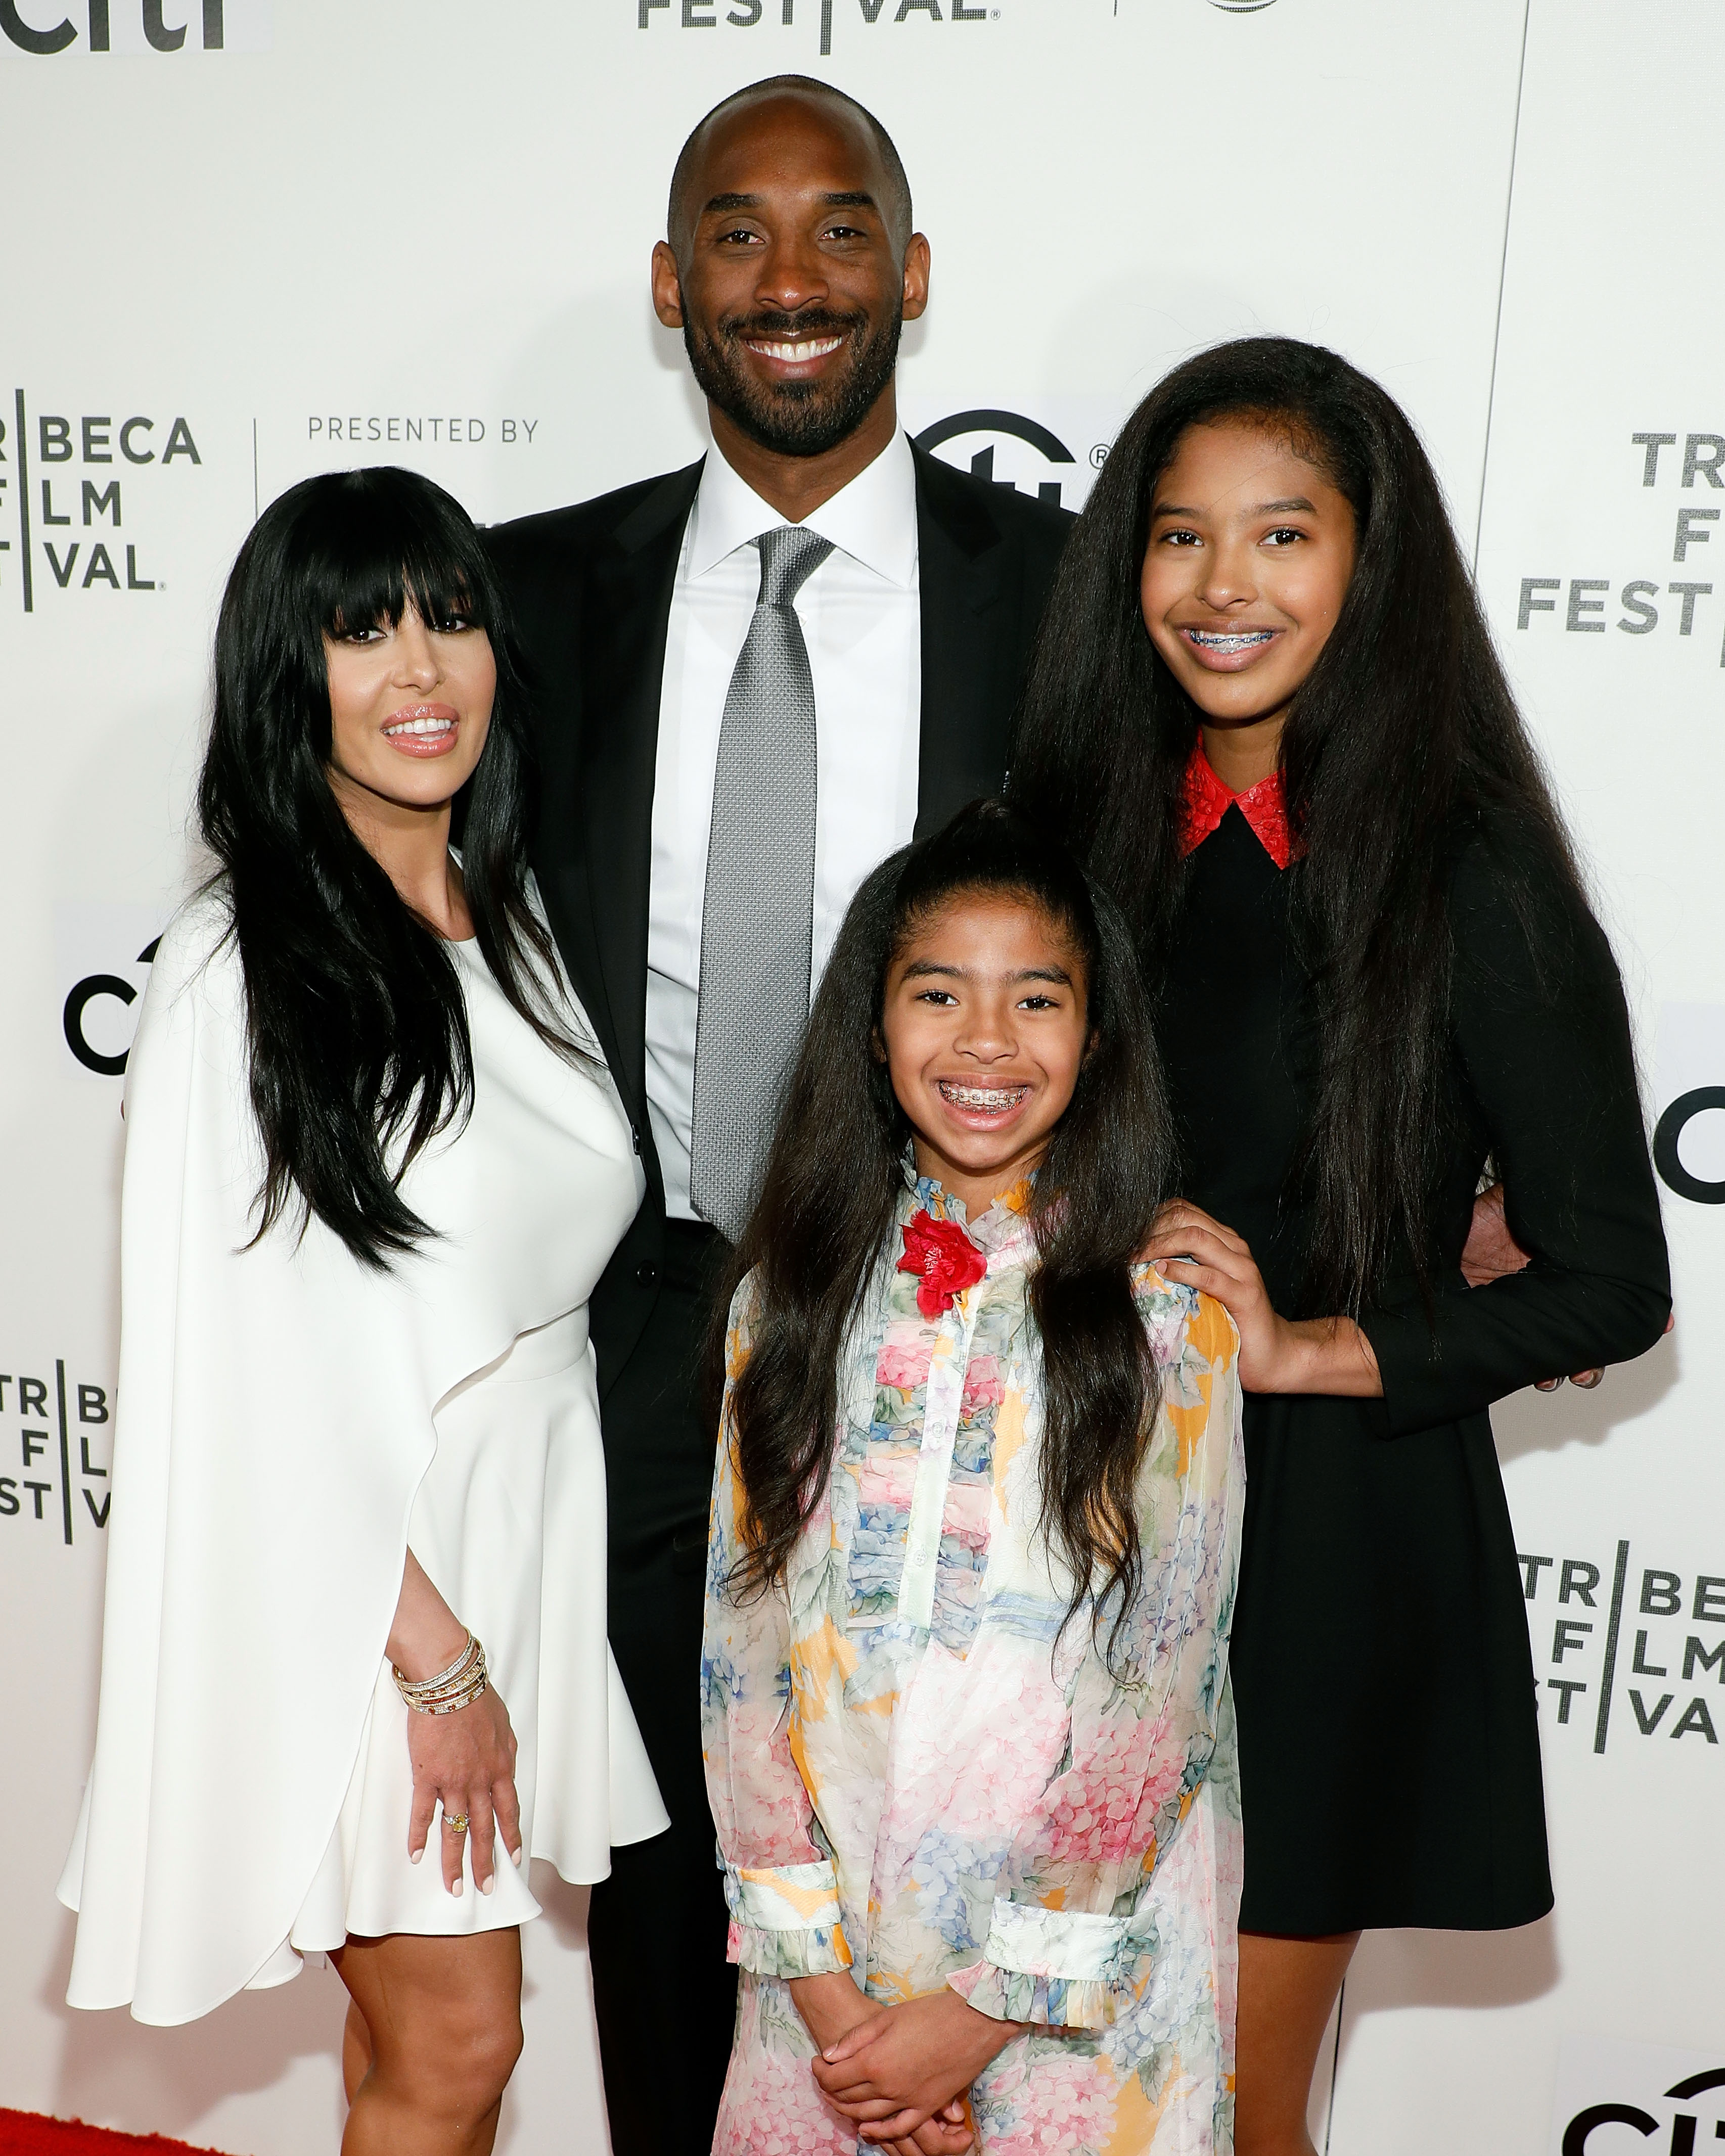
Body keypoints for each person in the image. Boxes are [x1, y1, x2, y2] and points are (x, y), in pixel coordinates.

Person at [486, 76, 1072, 2149]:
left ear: (910, 273)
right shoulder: (521, 601)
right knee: (666, 1875)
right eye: (737, 233)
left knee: (964, 1847)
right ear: (672, 285)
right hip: (641, 1319)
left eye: (842, 229)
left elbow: (1236, 920)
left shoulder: (1074, 595)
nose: (792, 276)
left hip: (972, 1310)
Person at [1007, 337, 1673, 2156]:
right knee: (1019, 2080)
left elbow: (1613, 1274)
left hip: (1313, 1542)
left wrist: (1308, 1341)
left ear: (1367, 562)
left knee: (1219, 2099)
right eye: (1178, 537)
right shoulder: (1060, 831)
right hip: (1039, 1509)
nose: (1224, 590)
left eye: (1281, 537)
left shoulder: (1464, 863)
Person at [58, 468, 667, 2156]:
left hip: (512, 1528)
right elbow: (245, 1375)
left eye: (451, 617)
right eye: (362, 629)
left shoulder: (515, 913)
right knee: (462, 2042)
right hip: (363, 1589)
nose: (421, 670)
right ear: (287, 673)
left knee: (411, 2047)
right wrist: (432, 1657)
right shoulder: (235, 967)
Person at [702, 801, 1244, 2155]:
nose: (986, 1042)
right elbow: (740, 1644)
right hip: (825, 1960)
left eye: (1035, 999)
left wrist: (985, 2006)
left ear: (1097, 1034)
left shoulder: (1169, 1316)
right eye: (938, 992)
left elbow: (1163, 1686)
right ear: (874, 1027)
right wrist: (832, 2004)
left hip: (1079, 1976)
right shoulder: (792, 1293)